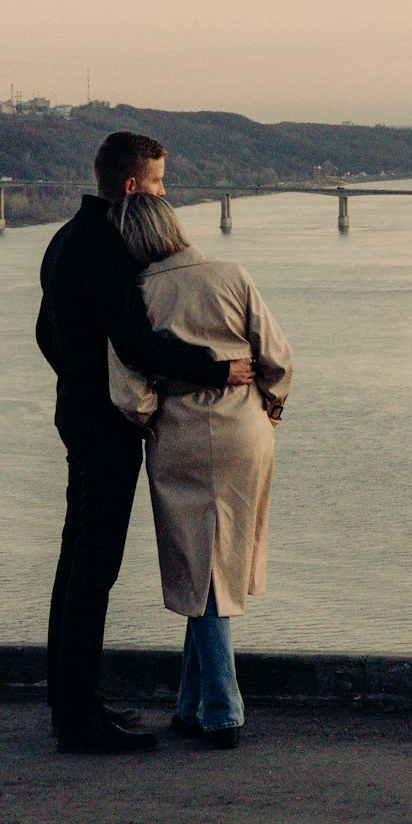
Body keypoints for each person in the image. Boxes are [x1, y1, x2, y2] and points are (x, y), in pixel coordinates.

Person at [36, 131, 254, 755]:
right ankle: (80, 722)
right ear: (132, 186)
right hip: (104, 423)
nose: (165, 193)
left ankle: (72, 702)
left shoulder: (64, 238)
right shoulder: (108, 245)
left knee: (75, 560)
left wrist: (75, 380)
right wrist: (219, 368)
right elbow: (135, 344)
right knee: (94, 567)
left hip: (79, 412)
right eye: (159, 182)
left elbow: (44, 331)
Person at [107, 193, 292, 748]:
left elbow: (129, 388)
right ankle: (190, 705)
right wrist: (271, 404)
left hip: (183, 429)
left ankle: (223, 710)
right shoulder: (231, 275)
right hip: (246, 428)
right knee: (217, 559)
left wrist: (150, 416)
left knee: (199, 563)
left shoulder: (139, 293)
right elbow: (277, 356)